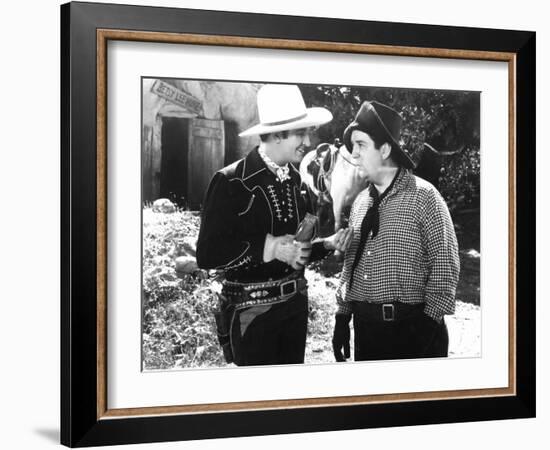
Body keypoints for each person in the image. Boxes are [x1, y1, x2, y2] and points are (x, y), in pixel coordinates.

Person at [196, 84, 352, 366]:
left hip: (294, 310)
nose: (307, 140)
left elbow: (295, 252)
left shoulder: (299, 183)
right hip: (251, 314)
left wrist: (327, 245)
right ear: (278, 134)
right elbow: (207, 254)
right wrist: (268, 247)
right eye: (301, 133)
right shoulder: (231, 181)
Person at [332, 100, 460, 362]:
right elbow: (350, 265)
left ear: (385, 149)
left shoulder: (424, 197)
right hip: (367, 334)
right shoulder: (360, 203)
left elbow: (445, 266)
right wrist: (342, 317)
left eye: (361, 145)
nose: (353, 154)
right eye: (352, 146)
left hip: (414, 331)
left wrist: (425, 330)